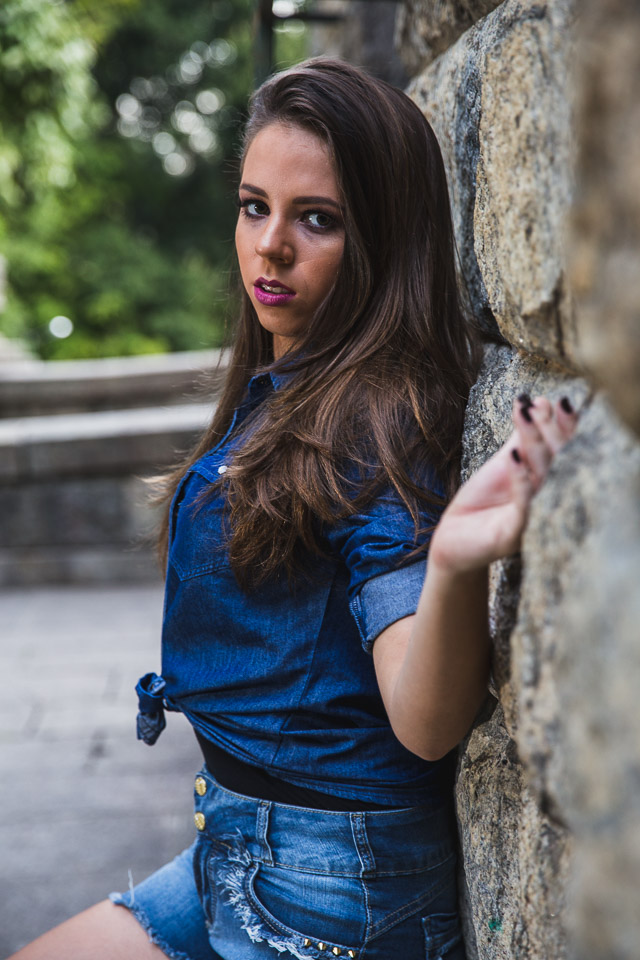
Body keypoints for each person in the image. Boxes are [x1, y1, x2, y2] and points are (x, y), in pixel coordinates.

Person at [12, 58, 577, 960]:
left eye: (317, 219)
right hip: (234, 849)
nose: (269, 246)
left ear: (383, 241)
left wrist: (454, 561)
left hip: (332, 891)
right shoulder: (293, 381)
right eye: (254, 206)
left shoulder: (377, 424)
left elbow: (426, 721)